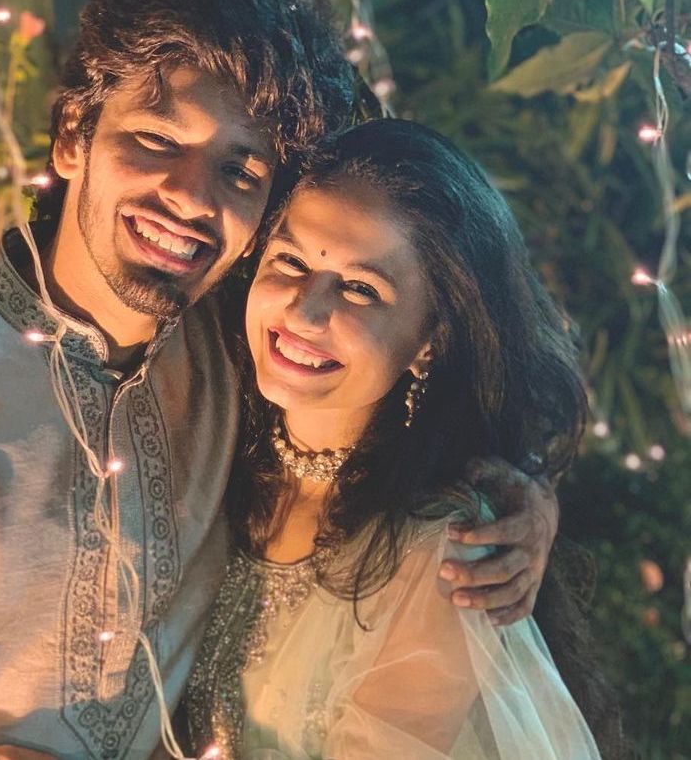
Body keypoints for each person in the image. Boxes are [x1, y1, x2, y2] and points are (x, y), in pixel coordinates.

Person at [0, 0, 560, 760]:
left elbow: (388, 395)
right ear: (73, 135)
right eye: (153, 140)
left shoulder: (234, 363)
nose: (189, 196)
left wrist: (521, 490)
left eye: (240, 168)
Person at [184, 119, 620, 759]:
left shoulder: (446, 554)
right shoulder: (210, 447)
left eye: (361, 289)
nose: (305, 312)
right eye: (291, 261)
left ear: (430, 339)